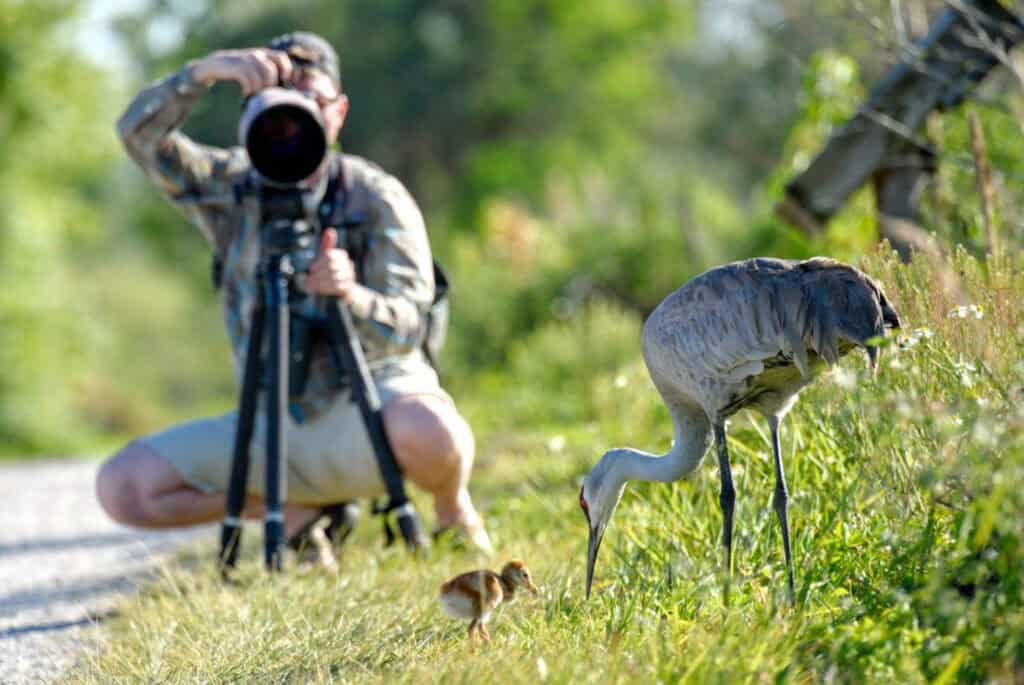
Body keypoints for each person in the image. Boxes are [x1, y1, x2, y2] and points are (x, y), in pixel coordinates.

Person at [95, 31, 491, 559]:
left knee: (437, 432)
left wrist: (351, 294)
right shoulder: (233, 188)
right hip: (272, 418)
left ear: (339, 113)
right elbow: (137, 135)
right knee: (124, 489)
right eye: (280, 103)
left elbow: (410, 328)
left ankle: (450, 508)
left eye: (311, 102)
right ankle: (293, 512)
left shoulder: (374, 196)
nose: (293, 117)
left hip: (370, 407)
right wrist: (205, 72)